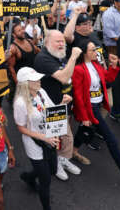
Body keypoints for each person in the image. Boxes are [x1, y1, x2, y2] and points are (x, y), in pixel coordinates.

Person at [72, 39, 120, 194]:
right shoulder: (79, 70)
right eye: (92, 50)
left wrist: (113, 66)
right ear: (84, 53)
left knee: (84, 130)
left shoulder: (96, 65)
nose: (96, 52)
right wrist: (84, 116)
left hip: (98, 105)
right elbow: (78, 96)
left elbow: (107, 80)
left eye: (95, 49)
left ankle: (74, 151)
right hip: (89, 109)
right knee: (111, 140)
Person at [34, 30, 82, 180]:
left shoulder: (58, 54)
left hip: (63, 102)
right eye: (57, 41)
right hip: (51, 106)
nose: (62, 44)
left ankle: (61, 160)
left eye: (62, 41)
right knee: (55, 138)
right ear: (47, 42)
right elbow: (63, 77)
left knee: (64, 136)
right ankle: (56, 165)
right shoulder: (43, 58)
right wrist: (74, 56)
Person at [13, 67, 59, 210]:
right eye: (35, 79)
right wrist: (43, 137)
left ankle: (29, 176)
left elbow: (51, 111)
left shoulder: (41, 92)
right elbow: (20, 127)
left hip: (50, 139)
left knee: (52, 169)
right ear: (25, 83)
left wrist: (62, 102)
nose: (39, 80)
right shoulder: (20, 103)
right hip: (35, 144)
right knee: (45, 180)